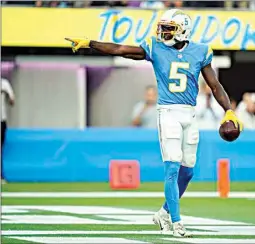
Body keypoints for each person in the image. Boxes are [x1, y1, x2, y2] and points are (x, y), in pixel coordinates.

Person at [65, 9, 243, 237]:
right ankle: (176, 222)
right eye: (163, 27)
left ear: (183, 31)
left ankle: (163, 212)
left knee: (187, 172)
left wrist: (228, 110)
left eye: (169, 28)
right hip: (168, 112)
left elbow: (215, 86)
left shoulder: (200, 51)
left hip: (190, 114)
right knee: (172, 167)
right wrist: (90, 43)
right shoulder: (156, 48)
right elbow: (121, 50)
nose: (163, 32)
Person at [1, 77, 15, 184]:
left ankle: (1, 176)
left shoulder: (4, 83)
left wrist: (7, 94)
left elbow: (12, 101)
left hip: (1, 120)